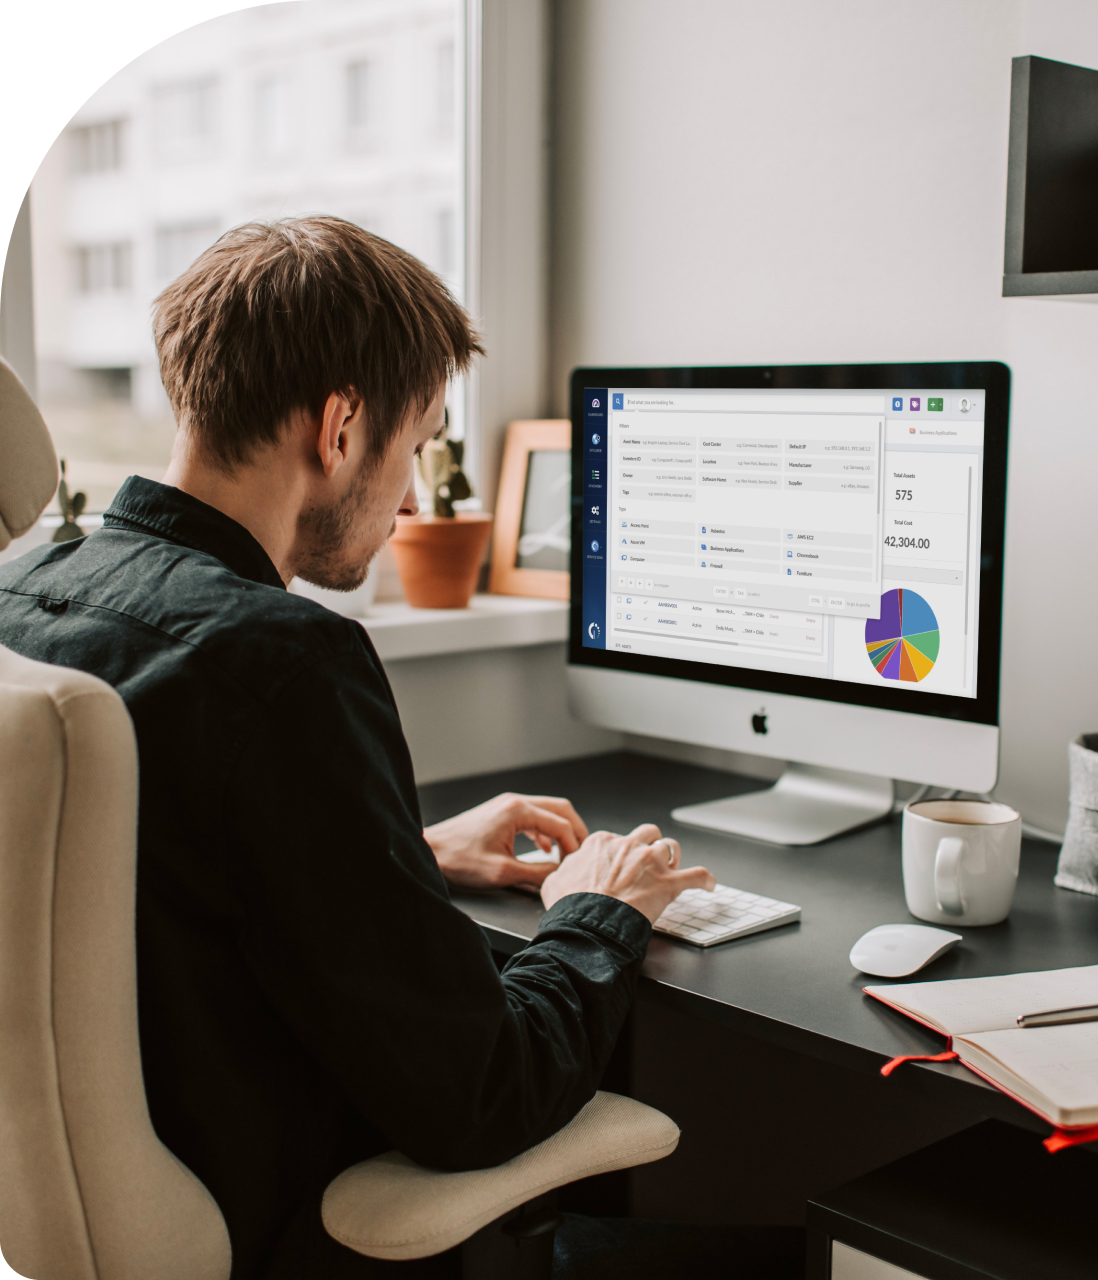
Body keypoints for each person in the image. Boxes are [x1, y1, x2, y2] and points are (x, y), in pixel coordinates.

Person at [0, 217, 722, 1278]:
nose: (408, 497)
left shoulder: (23, 595)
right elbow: (478, 1095)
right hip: (266, 1210)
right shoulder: (283, 661)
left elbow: (128, 882)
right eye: (418, 441)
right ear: (340, 426)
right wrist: (598, 908)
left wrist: (408, 852)